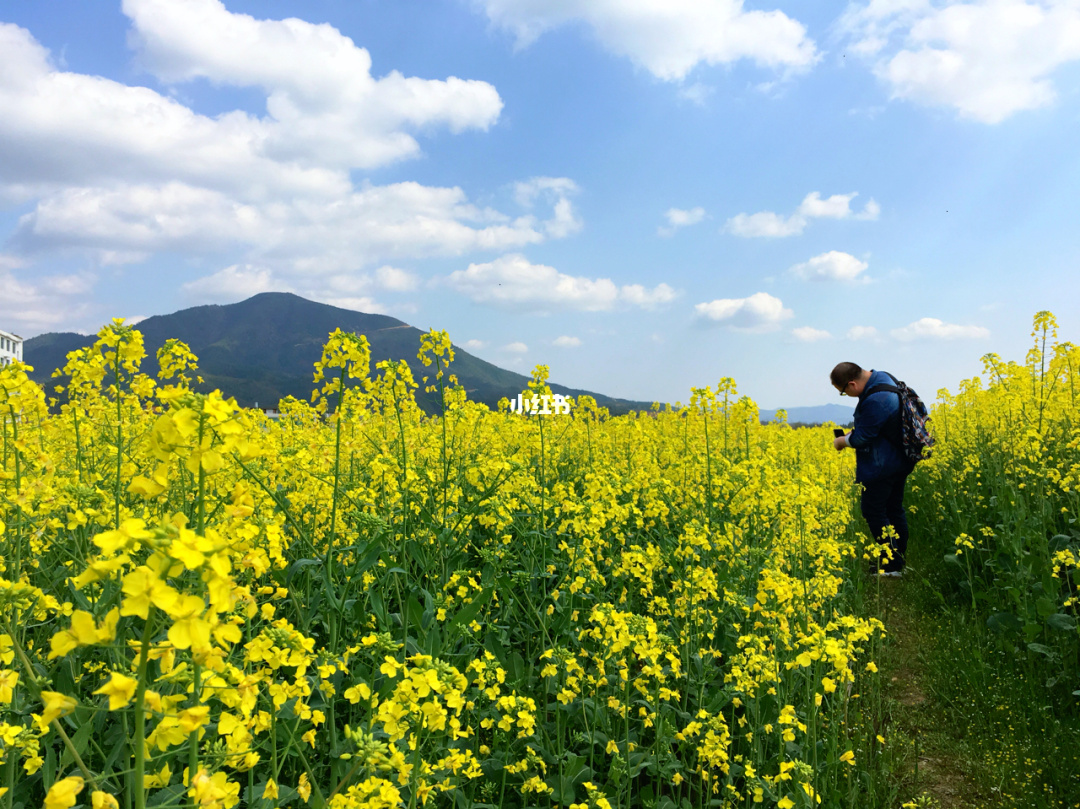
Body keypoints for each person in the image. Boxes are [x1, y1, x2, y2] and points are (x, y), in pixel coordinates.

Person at [830, 362, 915, 577]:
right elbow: (877, 426)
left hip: (882, 466)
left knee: (874, 511)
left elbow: (862, 438)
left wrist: (842, 441)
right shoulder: (885, 377)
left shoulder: (876, 399)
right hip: (899, 460)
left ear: (851, 384)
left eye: (843, 392)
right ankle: (898, 561)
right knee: (894, 509)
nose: (845, 395)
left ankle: (892, 565)